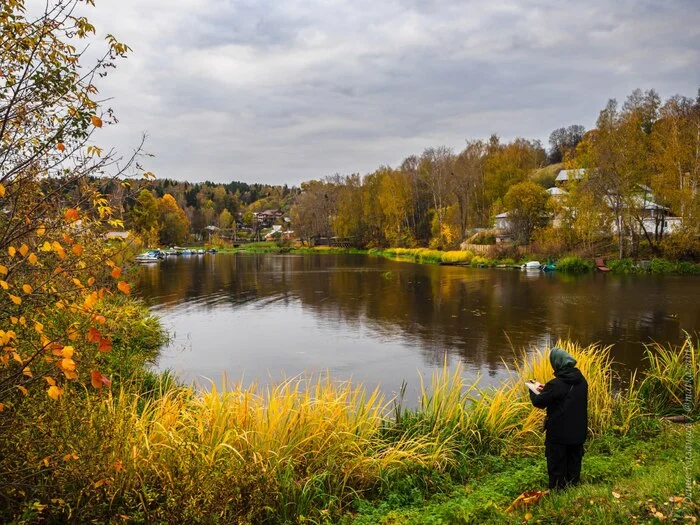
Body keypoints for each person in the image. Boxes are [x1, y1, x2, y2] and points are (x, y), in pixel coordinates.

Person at [529, 347, 588, 490]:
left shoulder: (556, 384)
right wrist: (547, 390)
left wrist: (532, 389)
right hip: (578, 433)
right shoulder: (582, 381)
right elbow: (566, 397)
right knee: (574, 465)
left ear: (556, 363)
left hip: (559, 435)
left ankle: (557, 494)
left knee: (556, 467)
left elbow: (539, 402)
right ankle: (572, 492)